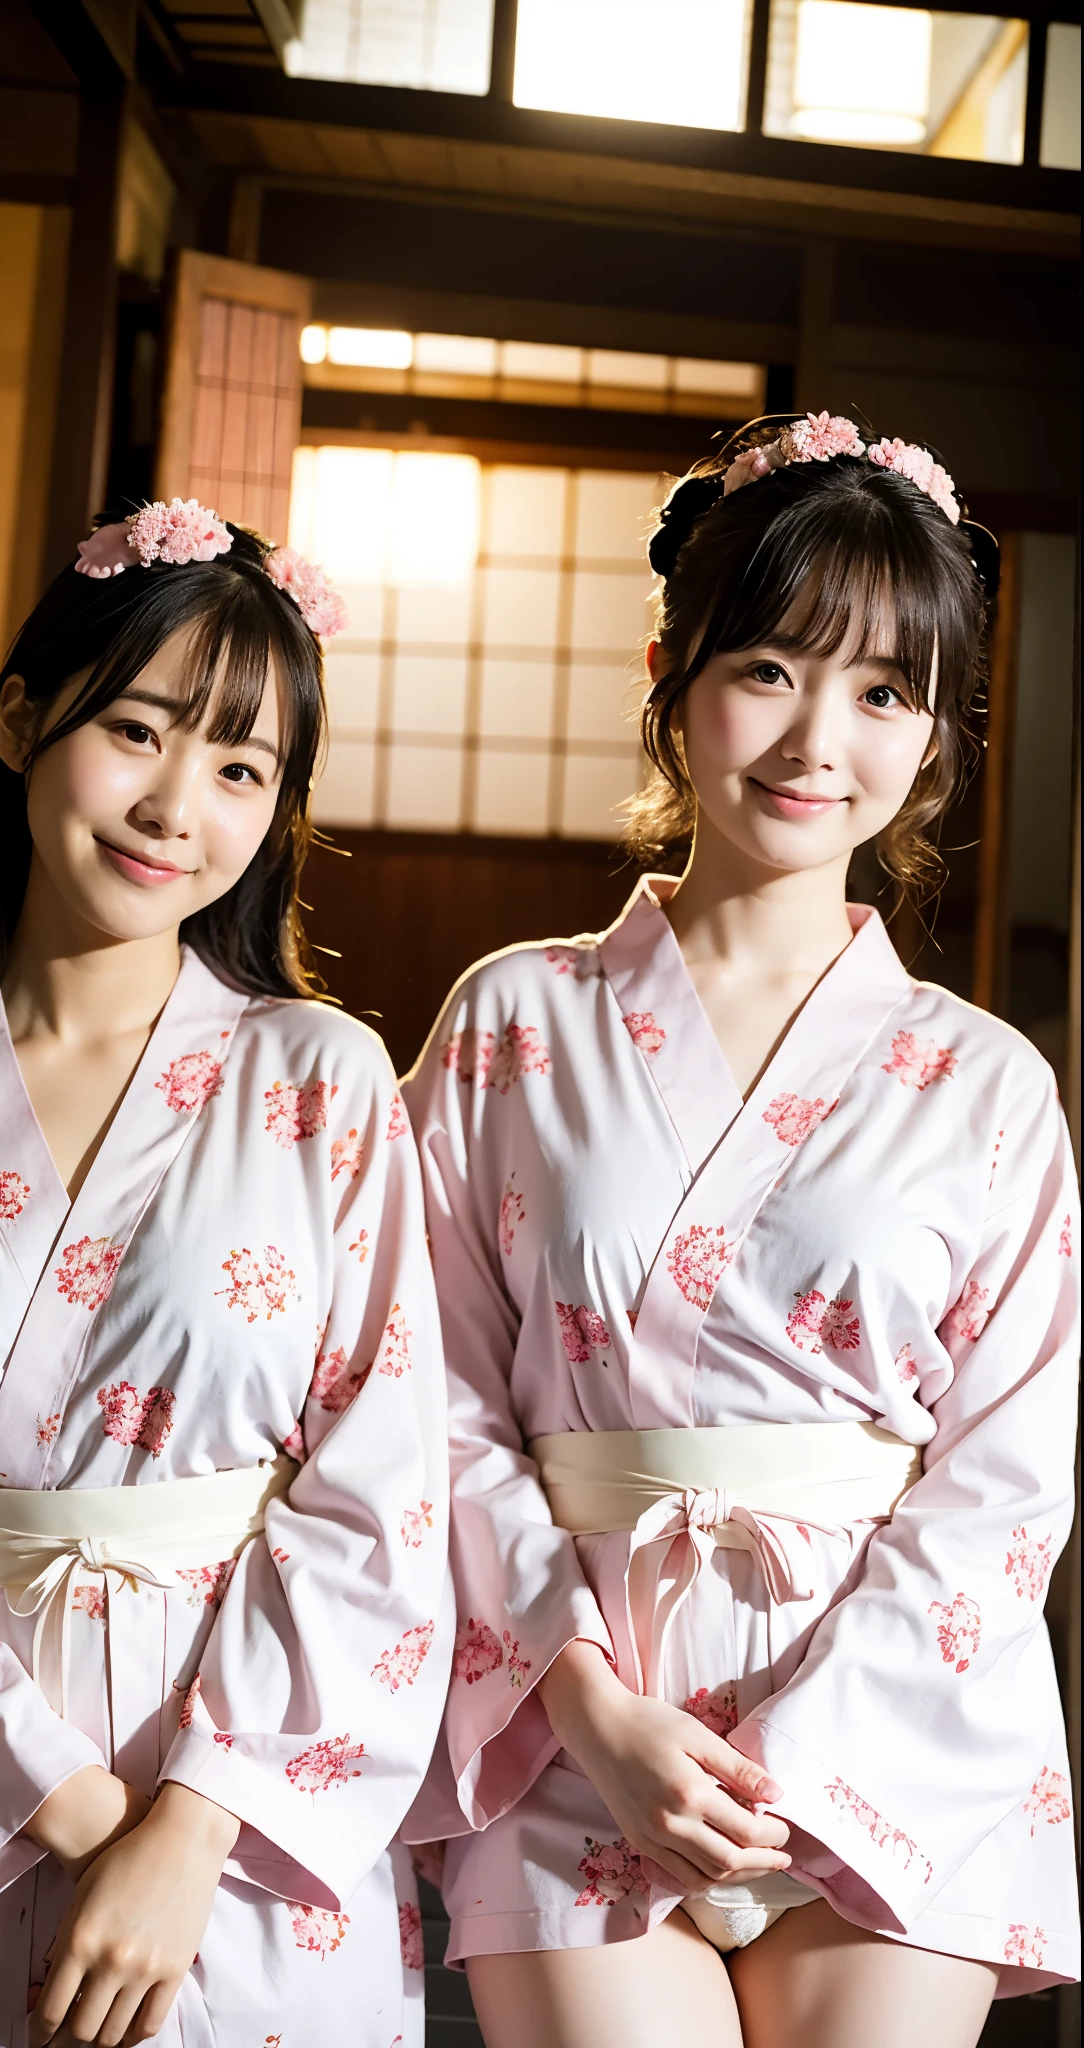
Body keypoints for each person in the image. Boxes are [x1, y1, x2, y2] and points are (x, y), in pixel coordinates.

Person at [401, 415, 1079, 2048]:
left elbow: (1009, 1475)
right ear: (672, 672)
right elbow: (422, 1395)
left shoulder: (985, 1083)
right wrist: (593, 1708)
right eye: (769, 668)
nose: (815, 739)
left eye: (883, 692)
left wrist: (807, 1752)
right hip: (575, 1726)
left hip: (893, 1733)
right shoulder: (513, 1021)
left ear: (935, 734)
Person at [0, 499, 449, 2047]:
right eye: (136, 730)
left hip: (245, 1832)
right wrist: (71, 1819)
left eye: (240, 768)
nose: (174, 807)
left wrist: (187, 1832)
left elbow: (381, 1495)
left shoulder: (322, 1080)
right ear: (19, 721)